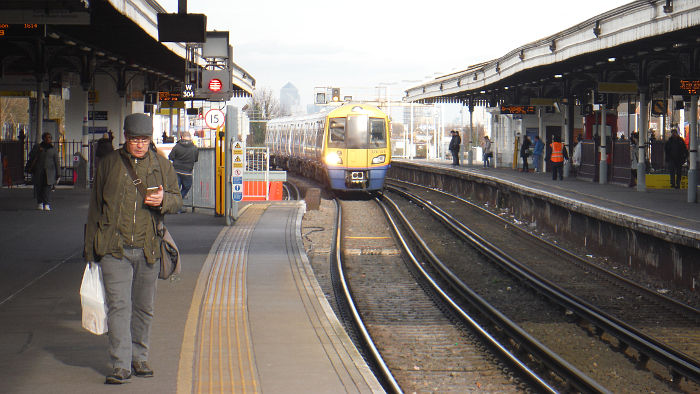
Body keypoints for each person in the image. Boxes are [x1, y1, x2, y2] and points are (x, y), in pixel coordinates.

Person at [84, 113, 182, 384]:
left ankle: (139, 357)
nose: (139, 144)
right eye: (134, 139)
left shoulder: (162, 164)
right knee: (118, 306)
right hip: (114, 249)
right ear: (124, 137)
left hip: (148, 247)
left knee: (143, 307)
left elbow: (177, 200)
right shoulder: (108, 165)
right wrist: (90, 250)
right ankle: (120, 364)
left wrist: (163, 200)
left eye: (145, 139)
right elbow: (95, 208)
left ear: (150, 139)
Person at [26, 132, 60, 211]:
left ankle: (47, 204)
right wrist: (38, 151)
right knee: (39, 187)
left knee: (47, 188)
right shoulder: (37, 147)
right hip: (39, 171)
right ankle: (40, 203)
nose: (48, 139)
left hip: (49, 172)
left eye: (50, 138)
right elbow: (31, 155)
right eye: (47, 137)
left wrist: (58, 173)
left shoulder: (53, 149)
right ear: (43, 138)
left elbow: (57, 161)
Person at [168, 131, 199, 203]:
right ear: (190, 138)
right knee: (186, 187)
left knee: (176, 189)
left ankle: (174, 205)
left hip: (176, 170)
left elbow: (171, 157)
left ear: (182, 137)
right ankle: (178, 203)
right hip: (187, 172)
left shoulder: (177, 146)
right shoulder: (194, 148)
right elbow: (195, 159)